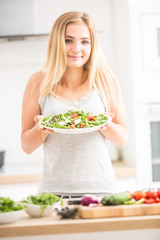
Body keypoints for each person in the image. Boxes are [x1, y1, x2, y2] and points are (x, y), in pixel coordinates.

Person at [21, 11, 128, 198]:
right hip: (53, 192)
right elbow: (26, 146)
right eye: (68, 40)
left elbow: (121, 139)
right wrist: (42, 128)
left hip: (101, 190)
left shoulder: (104, 79)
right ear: (56, 42)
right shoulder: (38, 82)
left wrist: (104, 124)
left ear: (92, 45)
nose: (77, 49)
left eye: (84, 41)